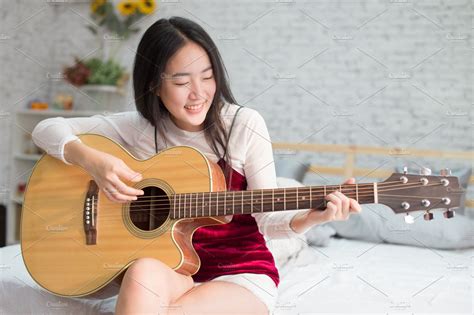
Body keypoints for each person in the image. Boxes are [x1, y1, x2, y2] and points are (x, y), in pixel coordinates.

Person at [32, 16, 361, 315]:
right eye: (181, 82)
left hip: (239, 273)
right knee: (140, 272)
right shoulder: (138, 128)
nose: (198, 93)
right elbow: (45, 130)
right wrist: (92, 161)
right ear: (154, 85)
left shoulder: (243, 124)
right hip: (172, 270)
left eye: (207, 77)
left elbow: (268, 221)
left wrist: (313, 216)